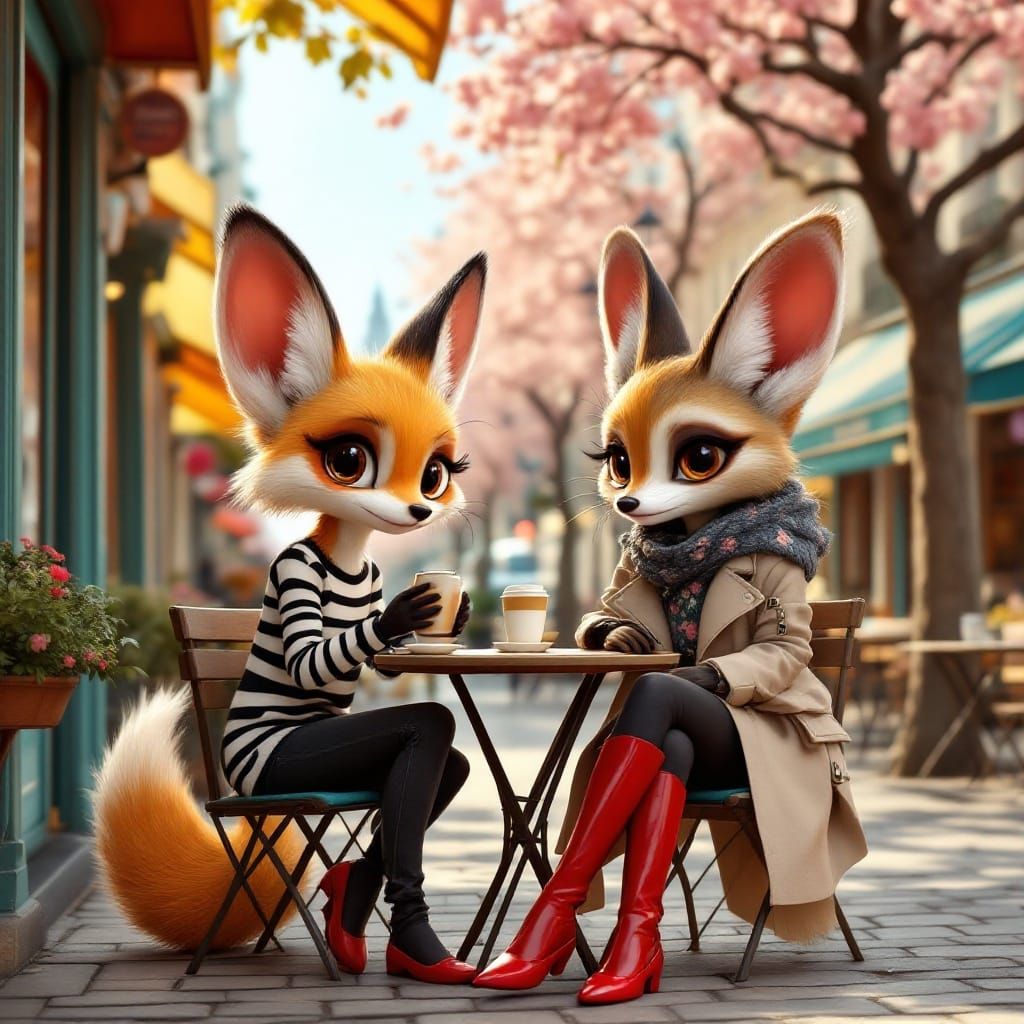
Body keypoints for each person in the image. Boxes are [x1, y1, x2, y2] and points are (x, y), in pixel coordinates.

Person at [475, 212, 868, 1005]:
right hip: (681, 740)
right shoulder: (651, 548)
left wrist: (715, 679)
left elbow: (789, 649)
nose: (634, 489)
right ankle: (636, 936)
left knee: (658, 697)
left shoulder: (776, 539)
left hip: (765, 734)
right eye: (622, 460)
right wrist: (608, 630)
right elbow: (609, 616)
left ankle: (552, 913)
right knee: (669, 756)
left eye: (692, 457)